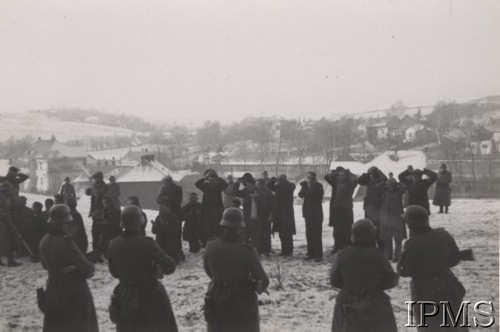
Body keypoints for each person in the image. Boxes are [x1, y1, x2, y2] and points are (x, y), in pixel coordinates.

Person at [107, 205, 178, 332]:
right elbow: (170, 266)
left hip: (125, 296)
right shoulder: (148, 243)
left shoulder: (113, 244)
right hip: (150, 295)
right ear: (140, 222)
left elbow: (114, 272)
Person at [398, 205, 467, 332]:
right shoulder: (444, 235)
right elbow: (454, 258)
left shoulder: (412, 244)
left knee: (430, 325)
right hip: (448, 284)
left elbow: (403, 270)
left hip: (425, 290)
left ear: (410, 223)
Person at [203, 207, 269, 332]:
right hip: (243, 299)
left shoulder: (211, 245)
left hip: (217, 296)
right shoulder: (248, 250)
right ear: (240, 227)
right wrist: (254, 285)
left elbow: (208, 271)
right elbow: (264, 280)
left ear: (223, 225)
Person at [330, 219, 398, 332]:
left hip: (348, 300)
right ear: (371, 235)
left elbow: (334, 280)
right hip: (374, 301)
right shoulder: (378, 256)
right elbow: (390, 280)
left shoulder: (342, 255)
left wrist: (350, 287)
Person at [39, 204, 98, 332]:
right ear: (66, 223)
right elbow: (88, 270)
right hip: (72, 292)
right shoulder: (66, 242)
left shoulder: (45, 240)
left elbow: (45, 265)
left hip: (53, 290)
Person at [232, 174, 273, 255]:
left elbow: (265, 205)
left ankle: (256, 253)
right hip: (246, 217)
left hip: (256, 218)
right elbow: (235, 193)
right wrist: (237, 183)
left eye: (250, 185)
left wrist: (256, 198)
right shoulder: (245, 191)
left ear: (254, 185)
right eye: (247, 185)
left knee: (256, 238)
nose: (248, 186)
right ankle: (245, 252)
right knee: (244, 236)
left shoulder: (260, 192)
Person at [324, 167, 358, 254]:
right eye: (340, 176)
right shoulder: (336, 183)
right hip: (338, 208)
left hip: (346, 208)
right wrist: (337, 172)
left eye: (343, 175)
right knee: (337, 230)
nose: (341, 177)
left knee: (347, 229)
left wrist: (348, 172)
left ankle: (347, 245)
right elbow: (327, 177)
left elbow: (355, 179)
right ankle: (338, 246)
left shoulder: (350, 185)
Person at [195, 169, 228, 247]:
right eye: (210, 180)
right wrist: (205, 177)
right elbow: (197, 184)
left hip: (217, 210)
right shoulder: (205, 187)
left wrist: (217, 177)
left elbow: (225, 185)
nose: (211, 182)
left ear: (215, 180)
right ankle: (207, 242)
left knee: (217, 227)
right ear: (208, 180)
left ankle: (217, 242)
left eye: (213, 180)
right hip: (207, 210)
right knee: (207, 227)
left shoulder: (218, 187)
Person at [377, 178, 407, 262]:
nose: (389, 186)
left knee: (398, 238)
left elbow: (404, 187)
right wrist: (383, 182)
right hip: (386, 217)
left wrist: (398, 183)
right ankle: (388, 255)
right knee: (387, 238)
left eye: (391, 185)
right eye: (388, 185)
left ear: (394, 185)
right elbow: (377, 187)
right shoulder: (385, 190)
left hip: (396, 217)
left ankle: (397, 256)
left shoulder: (398, 191)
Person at [357, 166, 386, 249]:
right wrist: (366, 173)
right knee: (369, 228)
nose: (372, 175)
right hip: (369, 208)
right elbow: (360, 181)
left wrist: (378, 171)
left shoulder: (381, 181)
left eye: (373, 173)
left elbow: (385, 179)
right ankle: (372, 246)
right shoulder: (369, 181)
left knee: (379, 229)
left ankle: (381, 247)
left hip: (377, 208)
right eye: (371, 174)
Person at [267, 174, 296, 256]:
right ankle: (288, 250)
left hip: (280, 212)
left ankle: (286, 250)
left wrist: (273, 179)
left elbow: (268, 186)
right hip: (288, 212)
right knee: (287, 233)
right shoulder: (289, 186)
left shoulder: (280, 187)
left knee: (282, 232)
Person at [298, 171, 324, 262]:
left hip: (316, 213)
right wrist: (303, 187)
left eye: (310, 177)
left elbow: (313, 197)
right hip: (308, 213)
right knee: (309, 234)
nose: (308, 179)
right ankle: (310, 253)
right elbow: (300, 195)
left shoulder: (318, 186)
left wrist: (305, 188)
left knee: (316, 234)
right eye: (308, 177)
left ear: (314, 178)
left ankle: (318, 254)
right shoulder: (306, 186)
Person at [157, 175, 184, 260]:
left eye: (165, 182)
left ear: (169, 181)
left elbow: (177, 200)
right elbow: (158, 200)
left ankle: (178, 252)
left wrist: (165, 199)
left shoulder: (177, 188)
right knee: (164, 233)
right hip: (164, 214)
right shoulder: (163, 189)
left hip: (175, 213)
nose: (164, 184)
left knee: (176, 233)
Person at [152, 198, 182, 263]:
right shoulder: (158, 217)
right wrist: (154, 226)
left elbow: (174, 231)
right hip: (160, 242)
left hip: (170, 245)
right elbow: (154, 231)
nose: (162, 209)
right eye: (161, 207)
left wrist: (164, 225)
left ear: (168, 208)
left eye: (164, 207)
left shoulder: (174, 217)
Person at [85, 171, 109, 250]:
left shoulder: (105, 186)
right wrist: (89, 190)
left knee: (103, 234)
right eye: (94, 179)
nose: (94, 180)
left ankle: (102, 251)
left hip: (103, 213)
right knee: (95, 233)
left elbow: (100, 196)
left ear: (99, 178)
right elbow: (88, 193)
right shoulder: (94, 186)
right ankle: (96, 251)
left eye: (95, 178)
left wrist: (94, 190)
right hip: (95, 213)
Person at [0, 191, 21, 267]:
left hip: (4, 220)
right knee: (6, 242)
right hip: (2, 222)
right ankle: (10, 261)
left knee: (5, 242)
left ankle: (10, 260)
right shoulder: (2, 197)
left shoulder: (5, 197)